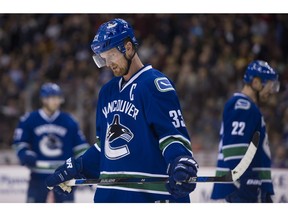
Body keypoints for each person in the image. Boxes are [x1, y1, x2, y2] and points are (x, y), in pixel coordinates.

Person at [45, 18, 198, 203]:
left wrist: (180, 161)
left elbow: (171, 137)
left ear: (128, 48)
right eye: (103, 58)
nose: (108, 63)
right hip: (111, 197)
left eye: (110, 55)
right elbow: (105, 147)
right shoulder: (107, 92)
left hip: (147, 198)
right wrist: (77, 167)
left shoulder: (154, 85)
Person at [211, 60, 280, 202]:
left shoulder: (248, 107)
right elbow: (233, 151)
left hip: (244, 189)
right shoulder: (242, 105)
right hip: (237, 192)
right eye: (269, 85)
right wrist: (248, 183)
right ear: (255, 82)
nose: (271, 90)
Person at [13, 82, 90, 203]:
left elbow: (81, 147)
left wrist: (84, 164)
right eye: (52, 97)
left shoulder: (69, 121)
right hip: (39, 176)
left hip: (64, 176)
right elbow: (20, 143)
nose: (56, 101)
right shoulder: (29, 119)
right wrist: (24, 154)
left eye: (58, 97)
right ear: (44, 99)